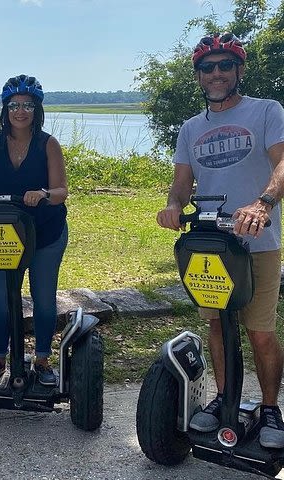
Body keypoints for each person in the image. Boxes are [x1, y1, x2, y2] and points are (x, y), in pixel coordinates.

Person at [156, 33, 284, 449]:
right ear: (198, 76)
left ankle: (269, 409)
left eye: (225, 65)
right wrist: (173, 207)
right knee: (216, 323)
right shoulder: (191, 128)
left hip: (257, 240)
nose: (216, 73)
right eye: (208, 67)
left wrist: (262, 203)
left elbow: (282, 162)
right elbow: (180, 185)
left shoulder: (266, 111)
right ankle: (223, 397)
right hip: (211, 244)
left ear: (239, 71)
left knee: (259, 332)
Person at [0, 74, 69, 386]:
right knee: (2, 297)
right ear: (5, 109)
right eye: (14, 106)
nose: (20, 111)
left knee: (44, 297)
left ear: (36, 109)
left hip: (46, 232)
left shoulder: (48, 144)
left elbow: (62, 190)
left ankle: (41, 357)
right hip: (6, 234)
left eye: (26, 105)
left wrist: (45, 194)